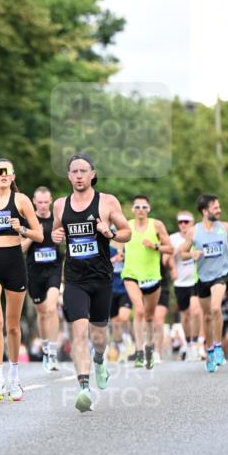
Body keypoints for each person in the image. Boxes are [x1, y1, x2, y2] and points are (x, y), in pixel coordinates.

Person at [52, 153, 130, 413]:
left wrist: (110, 233)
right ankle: (84, 387)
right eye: (74, 171)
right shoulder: (60, 205)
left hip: (101, 277)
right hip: (74, 278)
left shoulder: (107, 202)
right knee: (79, 330)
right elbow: (55, 232)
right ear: (68, 176)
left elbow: (127, 232)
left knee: (98, 336)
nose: (78, 176)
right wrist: (55, 235)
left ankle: (99, 359)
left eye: (83, 171)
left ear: (92, 174)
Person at [0, 159, 42, 401]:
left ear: (12, 176)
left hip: (14, 261)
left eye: (8, 172)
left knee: (13, 325)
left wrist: (22, 228)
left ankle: (14, 377)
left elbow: (39, 233)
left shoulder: (21, 200)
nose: (4, 175)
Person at [179, 194, 228, 372]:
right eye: (215, 207)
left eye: (219, 207)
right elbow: (182, 252)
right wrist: (191, 255)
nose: (219, 210)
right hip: (202, 278)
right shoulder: (194, 231)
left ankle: (218, 347)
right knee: (207, 317)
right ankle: (209, 349)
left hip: (221, 274)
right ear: (205, 210)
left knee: (216, 309)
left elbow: (227, 246)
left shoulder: (224, 227)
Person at [121, 195, 173, 370]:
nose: (140, 210)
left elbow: (170, 248)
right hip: (131, 274)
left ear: (149, 209)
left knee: (150, 316)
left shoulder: (156, 225)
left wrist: (155, 246)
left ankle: (149, 348)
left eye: (144, 207)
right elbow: (119, 244)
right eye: (137, 207)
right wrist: (119, 254)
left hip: (152, 276)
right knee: (140, 310)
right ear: (133, 210)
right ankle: (138, 352)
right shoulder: (126, 226)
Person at [21, 186, 63, 373]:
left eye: (47, 202)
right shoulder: (28, 220)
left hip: (54, 269)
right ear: (34, 202)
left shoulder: (57, 220)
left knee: (51, 308)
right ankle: (45, 347)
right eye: (40, 202)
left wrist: (61, 238)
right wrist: (33, 233)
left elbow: (66, 240)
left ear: (51, 201)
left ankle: (53, 352)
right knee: (42, 313)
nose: (44, 205)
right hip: (34, 272)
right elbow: (21, 248)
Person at [169, 211, 202, 361]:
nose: (183, 224)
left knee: (196, 312)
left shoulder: (199, 236)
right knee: (186, 315)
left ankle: (196, 343)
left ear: (192, 223)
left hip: (196, 280)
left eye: (186, 222)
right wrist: (173, 268)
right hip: (180, 282)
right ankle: (188, 344)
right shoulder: (173, 238)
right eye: (180, 222)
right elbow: (167, 257)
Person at [108, 243, 131, 362]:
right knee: (115, 322)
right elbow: (101, 264)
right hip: (111, 290)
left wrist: (125, 257)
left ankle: (127, 337)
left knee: (124, 316)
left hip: (125, 288)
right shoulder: (107, 247)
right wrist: (114, 260)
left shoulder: (128, 246)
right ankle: (121, 347)